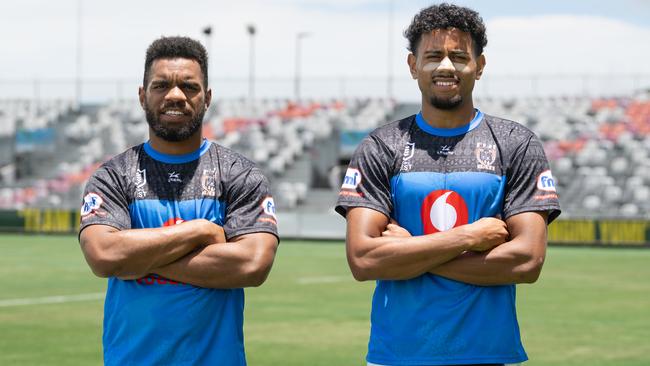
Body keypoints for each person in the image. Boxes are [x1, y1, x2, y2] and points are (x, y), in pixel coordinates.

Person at [335, 3, 561, 366]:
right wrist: (467, 238)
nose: (445, 66)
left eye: (458, 56)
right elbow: (363, 259)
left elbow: (527, 261)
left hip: (486, 355)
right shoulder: (380, 146)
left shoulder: (516, 142)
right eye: (433, 56)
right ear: (413, 65)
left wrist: (413, 252)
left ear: (480, 66)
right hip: (396, 355)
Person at [78, 36, 279, 366]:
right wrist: (199, 232)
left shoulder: (239, 174)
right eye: (161, 86)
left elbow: (252, 265)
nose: (175, 95)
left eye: (189, 86)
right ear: (143, 96)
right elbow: (104, 255)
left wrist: (134, 262)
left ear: (207, 97)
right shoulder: (114, 176)